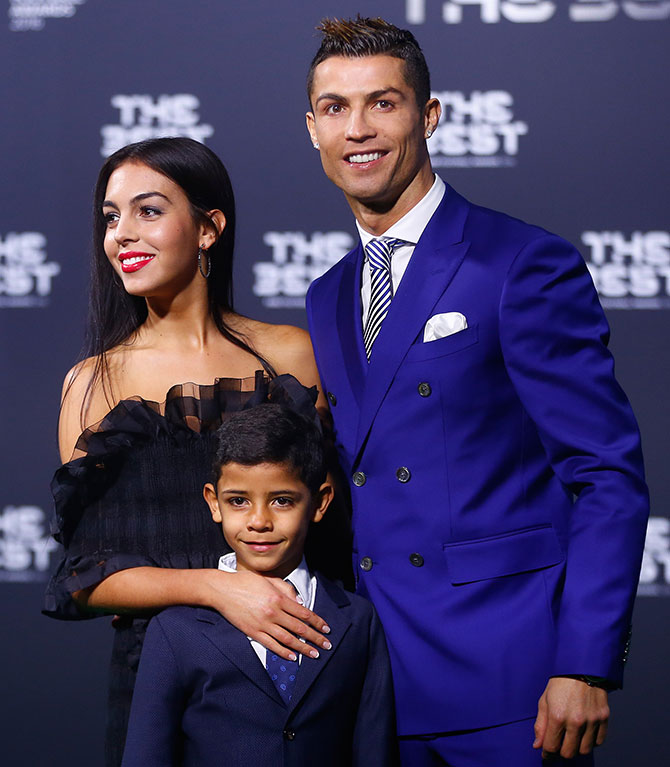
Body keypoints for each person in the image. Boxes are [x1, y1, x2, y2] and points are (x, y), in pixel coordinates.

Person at [304, 16, 649, 767]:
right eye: (335, 108)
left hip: (512, 686)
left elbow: (605, 475)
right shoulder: (326, 295)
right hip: (369, 682)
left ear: (428, 116)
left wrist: (583, 661)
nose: (357, 129)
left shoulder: (520, 263)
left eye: (383, 103)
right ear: (312, 129)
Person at [43, 137, 335, 766]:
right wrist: (218, 588)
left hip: (299, 665)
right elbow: (83, 578)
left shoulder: (288, 356)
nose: (123, 233)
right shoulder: (92, 383)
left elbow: (331, 524)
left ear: (208, 229)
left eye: (148, 211)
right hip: (162, 684)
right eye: (111, 216)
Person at [121, 404, 398, 767]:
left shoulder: (358, 620)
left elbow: (374, 751)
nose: (258, 521)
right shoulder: (175, 631)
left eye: (282, 501)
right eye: (238, 501)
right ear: (213, 502)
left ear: (320, 501)